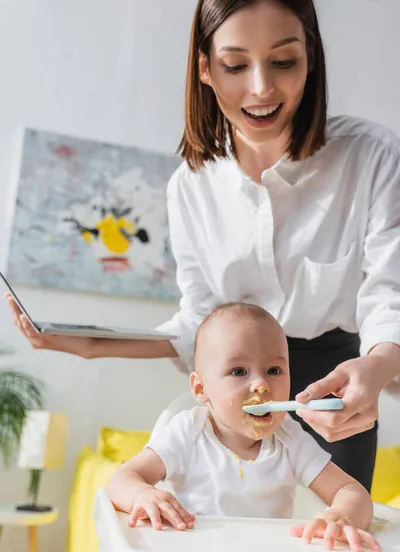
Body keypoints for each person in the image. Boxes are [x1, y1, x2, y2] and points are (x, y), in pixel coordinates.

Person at [6, 0, 400, 492]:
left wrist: (379, 365)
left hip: (335, 382)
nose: (261, 88)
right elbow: (198, 321)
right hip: (230, 382)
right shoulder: (190, 188)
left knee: (339, 540)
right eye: (235, 65)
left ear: (312, 58)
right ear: (205, 69)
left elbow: (389, 294)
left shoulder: (372, 158)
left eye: (284, 61)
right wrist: (90, 345)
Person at [107, 303, 381, 552]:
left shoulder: (289, 438)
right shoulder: (188, 433)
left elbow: (352, 491)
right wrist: (143, 495)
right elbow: (123, 478)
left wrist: (342, 515)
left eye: (274, 370)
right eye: (239, 372)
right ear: (201, 389)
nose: (262, 385)